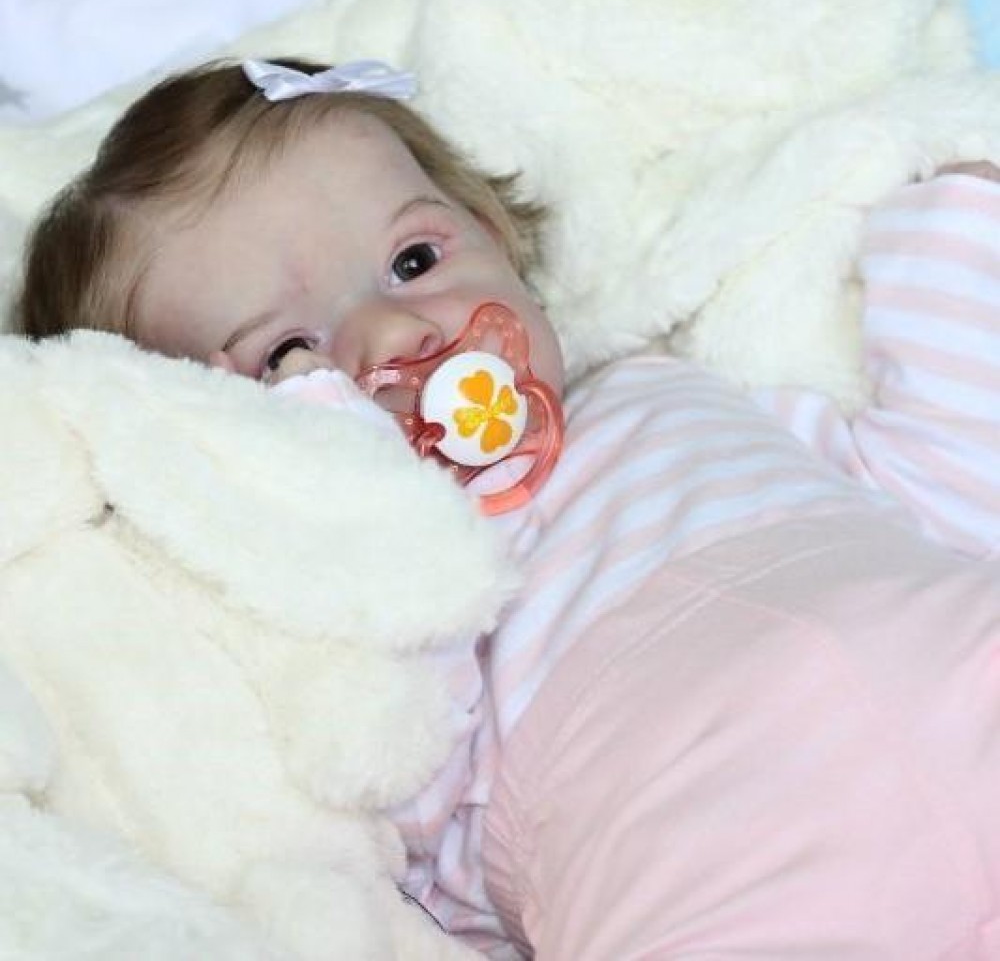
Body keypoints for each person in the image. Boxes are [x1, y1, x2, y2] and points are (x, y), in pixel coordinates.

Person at [15, 57, 1000, 959]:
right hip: (700, 848)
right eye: (286, 357)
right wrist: (347, 498)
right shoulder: (341, 638)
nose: (392, 335)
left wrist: (959, 221)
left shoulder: (667, 393)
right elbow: (395, 800)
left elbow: (944, 481)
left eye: (413, 262)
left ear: (493, 238)